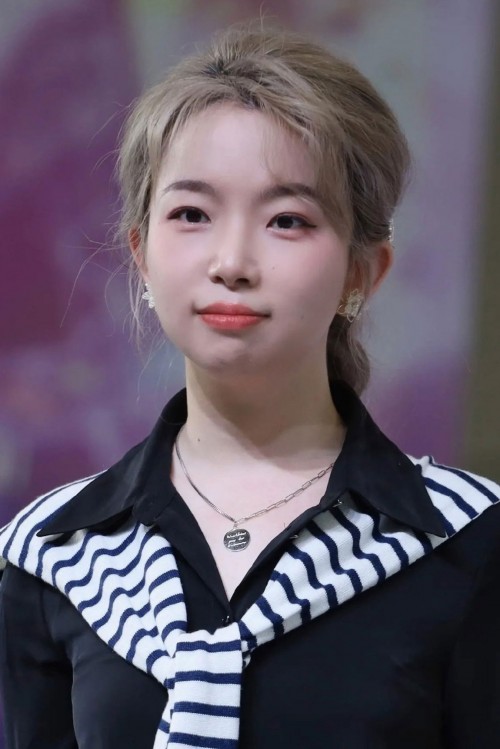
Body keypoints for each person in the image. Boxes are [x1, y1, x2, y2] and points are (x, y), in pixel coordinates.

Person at [0, 22, 499, 749]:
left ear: (363, 271)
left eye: (287, 220)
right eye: (191, 214)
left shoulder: (468, 539)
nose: (231, 260)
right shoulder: (53, 552)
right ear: (141, 254)